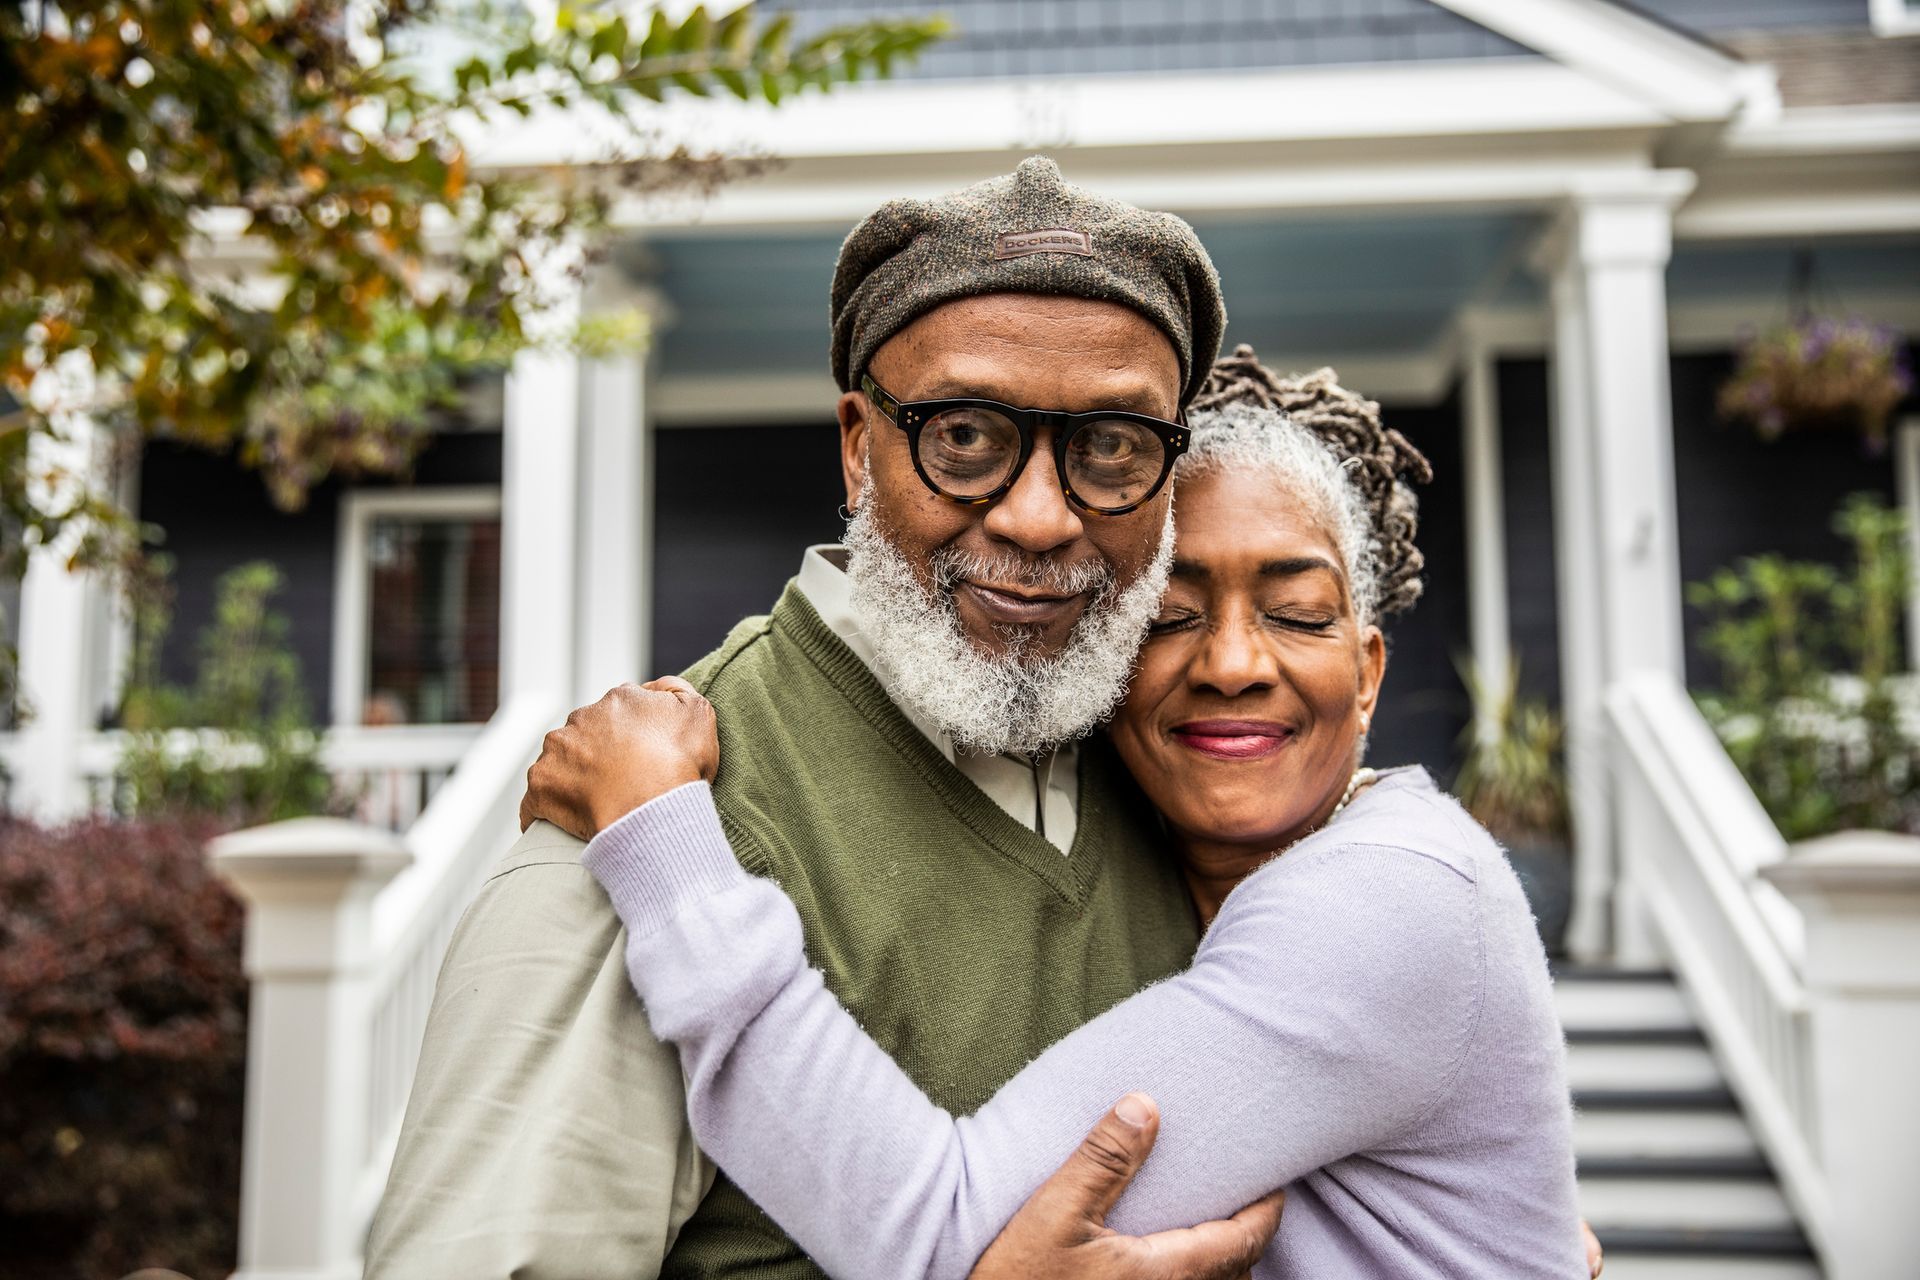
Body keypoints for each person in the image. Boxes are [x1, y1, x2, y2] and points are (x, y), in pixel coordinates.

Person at [364, 157, 1286, 1280]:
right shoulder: (652, 828)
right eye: (964, 435)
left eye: (1113, 447)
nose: (1042, 516)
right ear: (859, 443)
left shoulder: (1190, 793)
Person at [524, 356, 1591, 1277]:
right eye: (1171, 615)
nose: (1230, 662)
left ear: (1368, 674)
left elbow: (943, 1229)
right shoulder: (1150, 855)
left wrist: (664, 843)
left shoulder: (1383, 900)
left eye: (1298, 611)